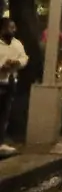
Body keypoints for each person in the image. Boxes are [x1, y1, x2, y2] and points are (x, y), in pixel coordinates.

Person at [0, 18, 26, 156]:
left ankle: (1, 142)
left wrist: (17, 63)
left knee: (5, 112)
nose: (13, 30)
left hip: (10, 82)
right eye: (11, 27)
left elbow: (24, 58)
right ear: (3, 29)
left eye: (14, 27)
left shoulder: (17, 44)